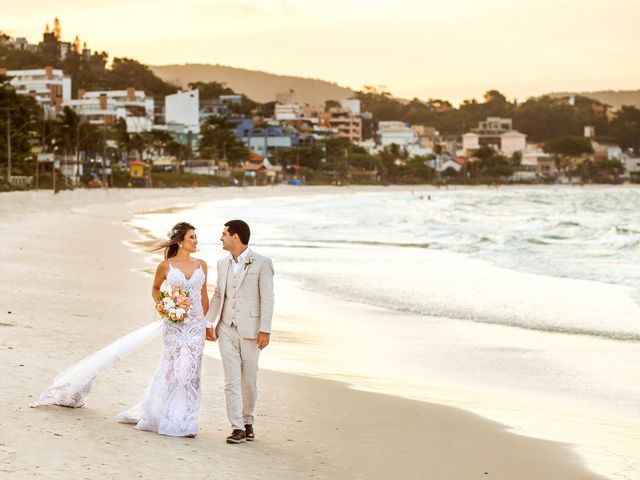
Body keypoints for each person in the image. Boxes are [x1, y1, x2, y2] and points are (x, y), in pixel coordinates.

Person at [33, 222, 209, 439]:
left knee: (192, 371)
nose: (196, 241)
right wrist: (165, 306)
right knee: (172, 367)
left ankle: (187, 419)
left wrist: (206, 324)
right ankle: (164, 415)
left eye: (196, 237)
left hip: (195, 327)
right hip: (174, 325)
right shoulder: (166, 266)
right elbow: (155, 289)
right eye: (192, 237)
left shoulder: (202, 265)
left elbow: (203, 297)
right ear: (180, 241)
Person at [205, 219, 274, 444]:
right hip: (226, 328)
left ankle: (248, 421)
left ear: (236, 237)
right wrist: (209, 322)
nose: (221, 237)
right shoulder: (222, 264)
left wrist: (265, 329)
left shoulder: (262, 263)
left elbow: (268, 298)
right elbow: (218, 295)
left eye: (224, 234)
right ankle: (236, 427)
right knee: (231, 380)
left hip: (252, 330)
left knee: (249, 380)